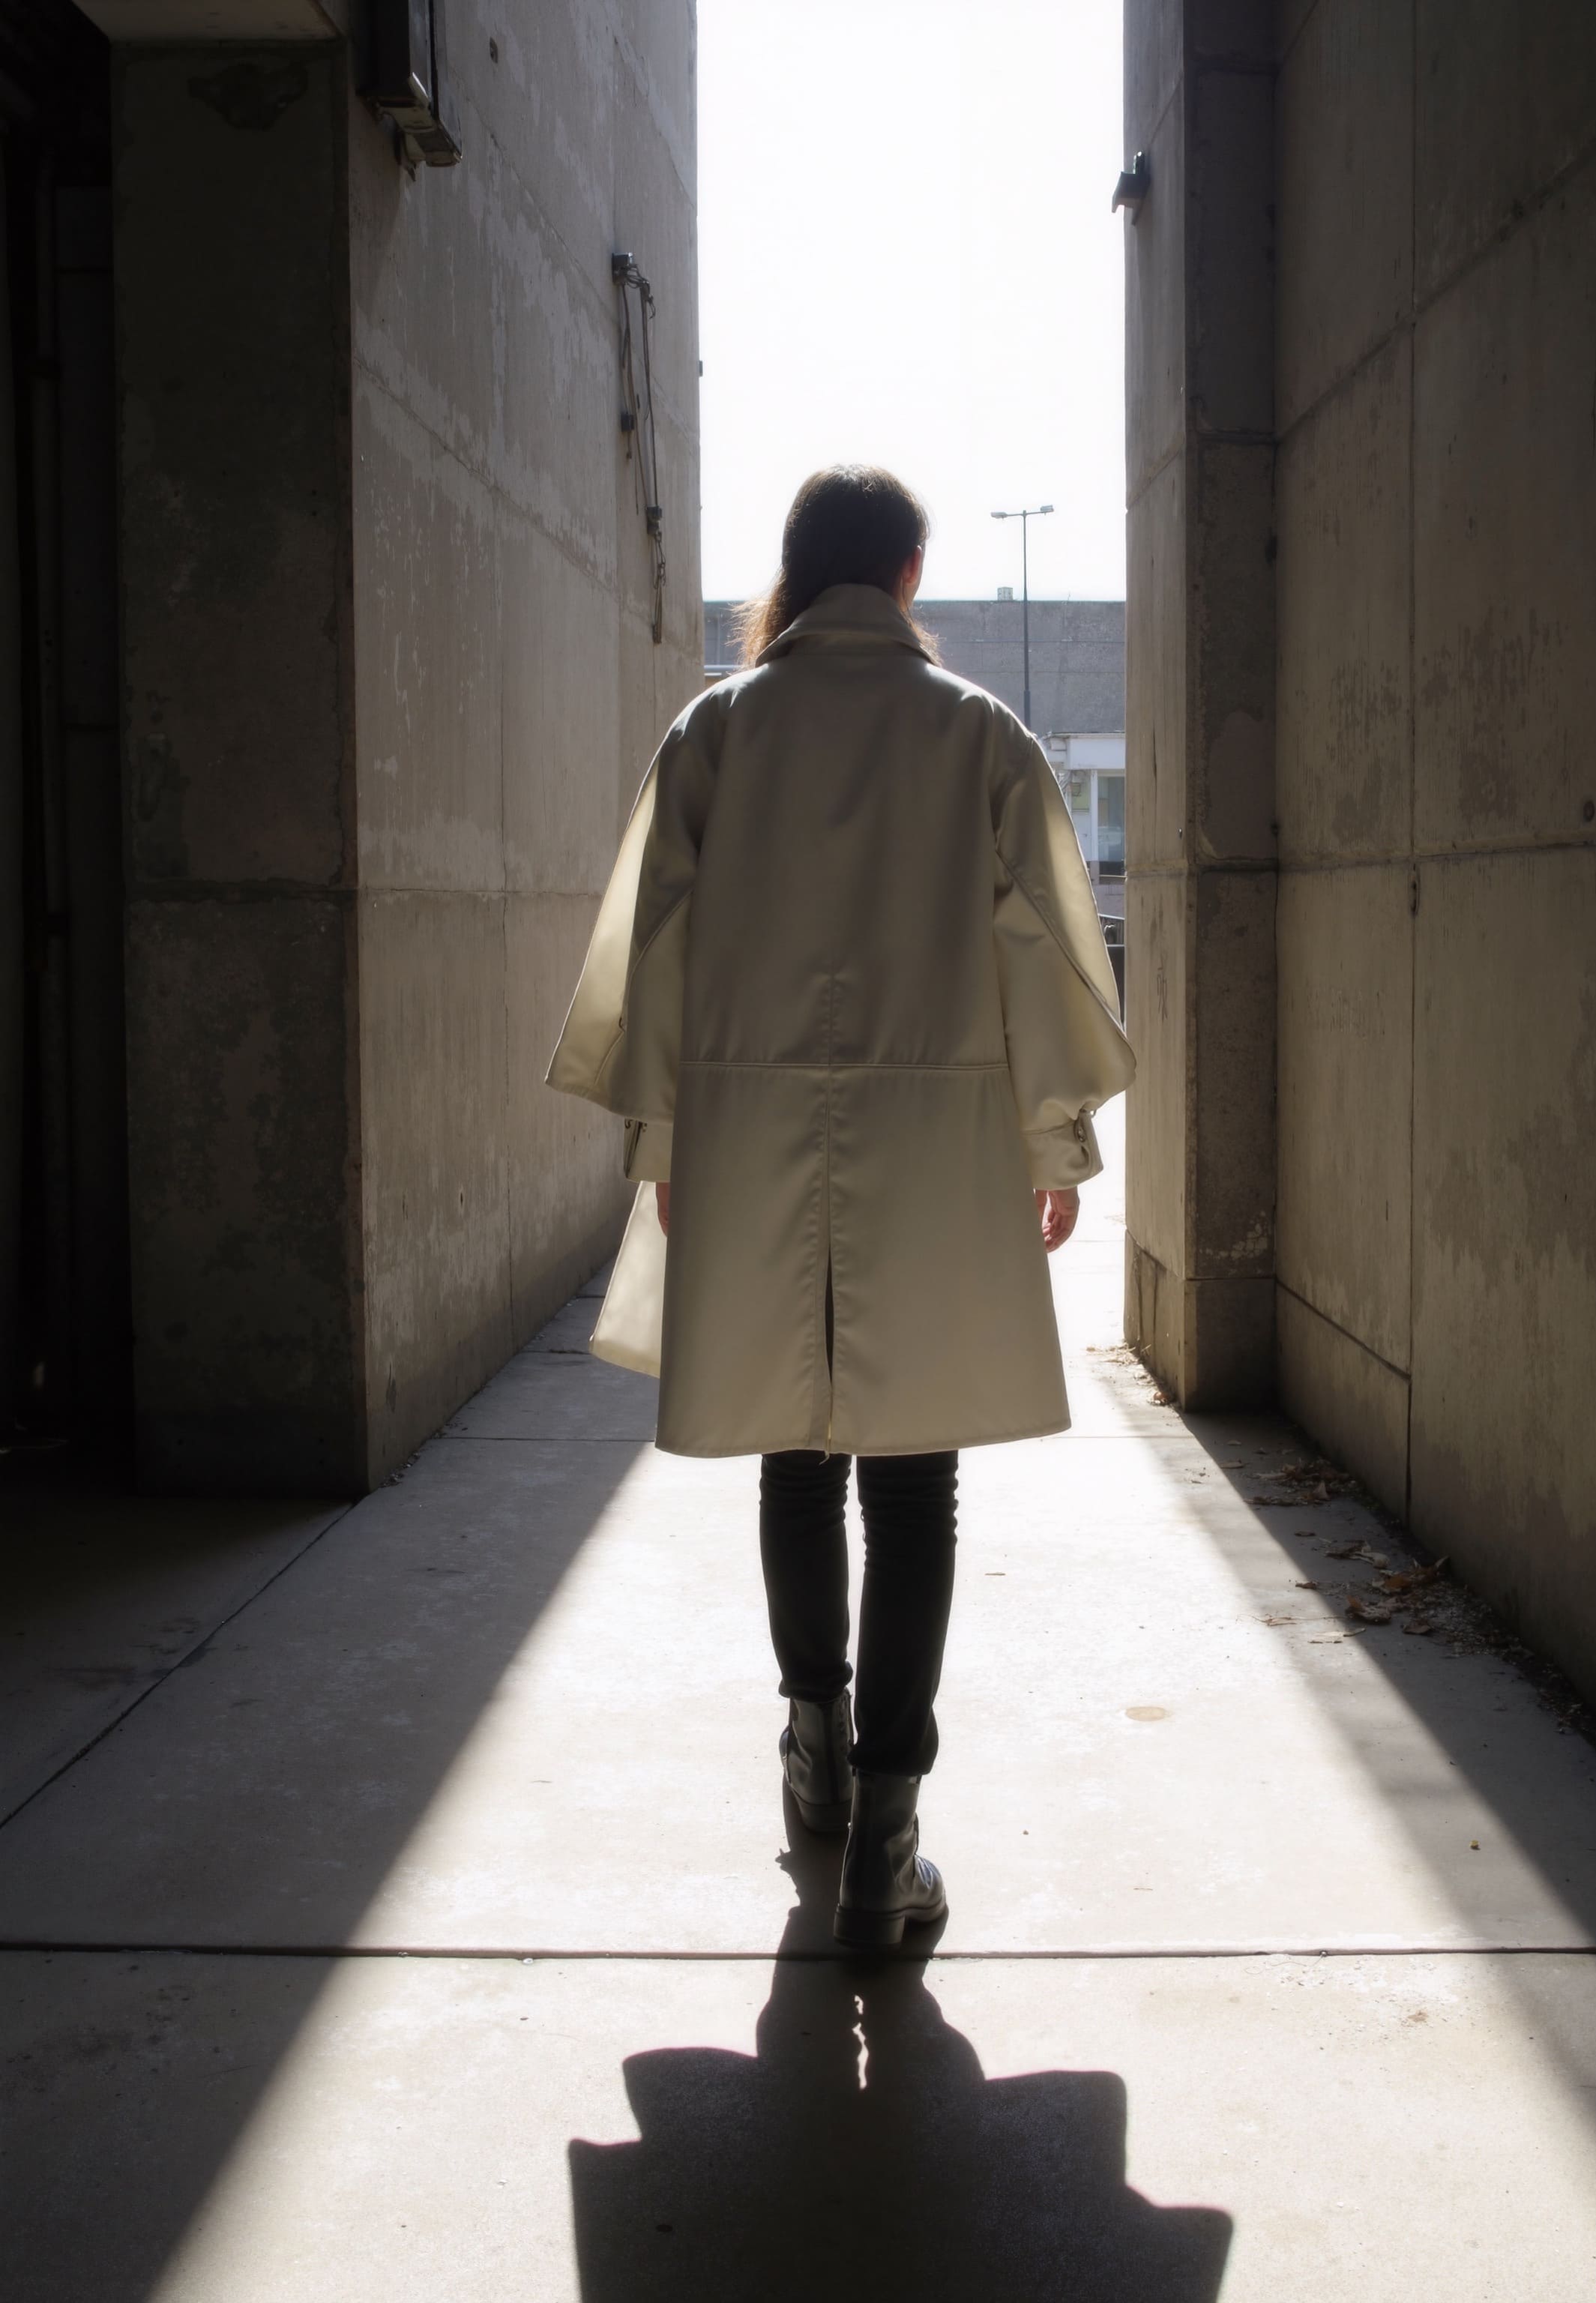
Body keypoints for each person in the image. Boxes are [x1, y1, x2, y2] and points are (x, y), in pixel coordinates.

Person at [546, 466, 1135, 1947]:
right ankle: (889, 1836)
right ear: (911, 573)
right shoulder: (980, 736)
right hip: (937, 1145)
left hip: (751, 1135)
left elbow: (652, 954)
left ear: (798, 571)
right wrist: (1050, 1143)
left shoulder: (718, 732)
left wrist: (663, 1143)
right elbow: (1043, 952)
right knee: (915, 1485)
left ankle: (813, 1752)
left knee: (794, 1460)